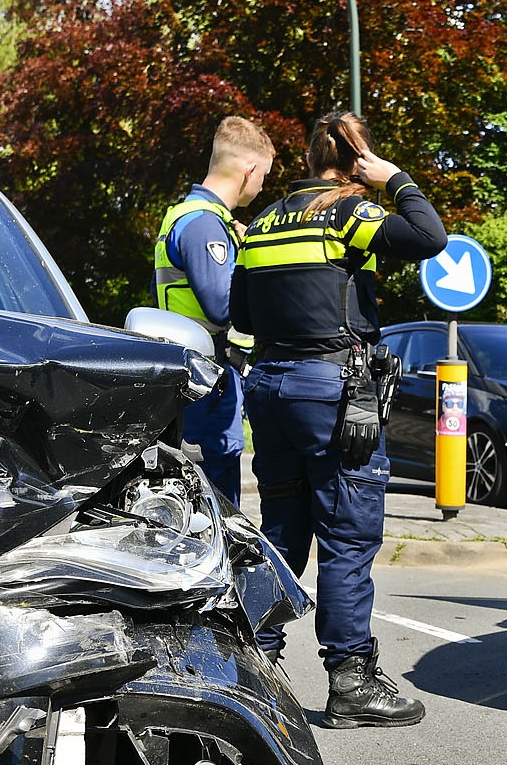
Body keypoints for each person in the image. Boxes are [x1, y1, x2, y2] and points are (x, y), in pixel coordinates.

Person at [230, 111, 447, 728]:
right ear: (357, 161)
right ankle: (352, 681)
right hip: (331, 392)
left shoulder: (263, 224)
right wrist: (396, 179)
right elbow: (431, 238)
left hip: (269, 389)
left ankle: (251, 670)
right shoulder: (350, 213)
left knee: (282, 534)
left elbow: (242, 312)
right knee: (348, 536)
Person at [153, 115, 275, 506]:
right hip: (208, 381)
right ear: (249, 170)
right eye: (263, 176)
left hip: (200, 380)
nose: (261, 186)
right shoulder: (205, 224)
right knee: (214, 504)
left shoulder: (193, 217)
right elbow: (223, 307)